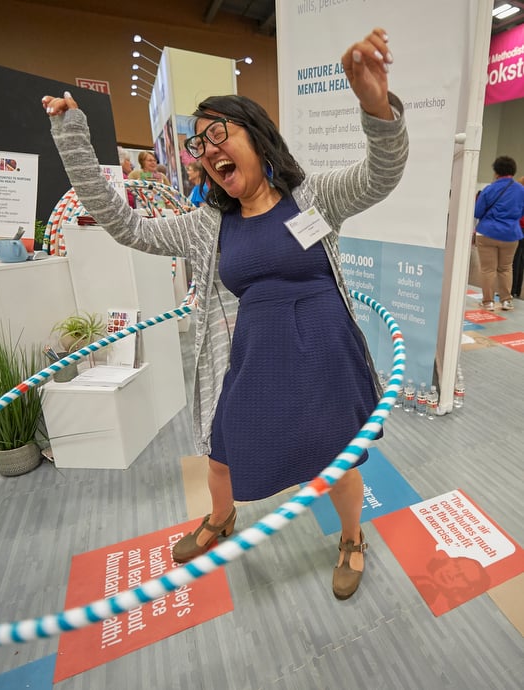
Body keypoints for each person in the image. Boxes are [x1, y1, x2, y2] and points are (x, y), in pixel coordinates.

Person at [43, 26, 408, 601]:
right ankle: (221, 518)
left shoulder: (313, 198)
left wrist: (375, 106)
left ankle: (352, 538)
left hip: (324, 352)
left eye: (219, 132)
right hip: (254, 354)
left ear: (258, 138)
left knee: (336, 458)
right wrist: (73, 138)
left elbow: (382, 174)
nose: (208, 148)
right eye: (197, 143)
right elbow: (125, 225)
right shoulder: (206, 225)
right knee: (221, 446)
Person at [474, 156, 524, 311]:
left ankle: (488, 302)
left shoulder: (489, 189)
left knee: (488, 269)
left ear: (496, 172)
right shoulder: (521, 190)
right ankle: (506, 301)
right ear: (513, 171)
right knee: (506, 268)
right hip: (510, 234)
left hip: (487, 233)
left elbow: (477, 212)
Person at [510, 174, 524, 299]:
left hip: (520, 229)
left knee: (515, 260)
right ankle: (517, 290)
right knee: (521, 261)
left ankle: (511, 289)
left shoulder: (520, 195)